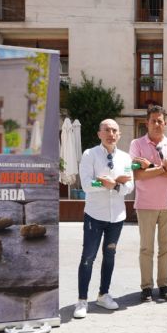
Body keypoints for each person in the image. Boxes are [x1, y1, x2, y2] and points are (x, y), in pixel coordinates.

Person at [73, 119, 135, 319]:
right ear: (99, 134)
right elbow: (86, 184)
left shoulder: (125, 158)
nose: (111, 134)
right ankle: (82, 300)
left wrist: (114, 185)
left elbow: (129, 186)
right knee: (88, 257)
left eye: (114, 130)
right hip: (94, 215)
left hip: (116, 217)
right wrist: (106, 184)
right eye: (107, 130)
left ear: (119, 135)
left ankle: (103, 294)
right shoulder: (89, 154)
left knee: (109, 256)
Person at [129, 106, 167, 302]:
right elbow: (137, 175)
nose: (157, 124)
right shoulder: (136, 144)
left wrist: (150, 167)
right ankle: (146, 288)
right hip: (145, 204)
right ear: (147, 123)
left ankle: (164, 285)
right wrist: (162, 168)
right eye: (153, 121)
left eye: (160, 121)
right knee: (146, 249)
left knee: (166, 248)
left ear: (165, 123)